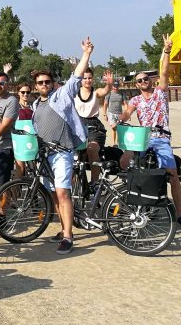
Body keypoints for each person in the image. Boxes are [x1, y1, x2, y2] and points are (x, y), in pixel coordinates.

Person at [118, 34, 181, 231]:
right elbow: (127, 113)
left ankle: (180, 214)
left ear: (151, 81)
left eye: (146, 78)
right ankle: (137, 201)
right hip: (143, 139)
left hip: (160, 139)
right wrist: (120, 119)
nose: (144, 81)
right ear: (136, 85)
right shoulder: (135, 100)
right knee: (125, 163)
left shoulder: (160, 93)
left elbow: (165, 73)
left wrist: (166, 51)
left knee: (172, 173)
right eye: (140, 80)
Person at [31, 37, 94, 254]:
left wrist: (86, 54)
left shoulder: (62, 96)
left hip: (61, 153)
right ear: (35, 86)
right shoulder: (34, 104)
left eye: (47, 81)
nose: (44, 85)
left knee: (62, 192)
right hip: (44, 156)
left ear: (52, 83)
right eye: (40, 82)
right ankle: (63, 227)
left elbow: (76, 77)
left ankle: (68, 236)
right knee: (51, 194)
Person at [74, 68, 114, 183]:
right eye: (84, 78)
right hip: (77, 125)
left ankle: (94, 182)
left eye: (90, 78)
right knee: (70, 153)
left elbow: (105, 90)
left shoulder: (95, 92)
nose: (87, 80)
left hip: (94, 126)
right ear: (80, 80)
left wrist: (109, 85)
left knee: (92, 149)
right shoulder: (74, 93)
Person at [103, 81, 127, 146]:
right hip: (111, 113)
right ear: (112, 86)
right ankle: (114, 143)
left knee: (119, 128)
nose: (115, 87)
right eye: (114, 86)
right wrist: (104, 114)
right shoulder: (109, 94)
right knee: (113, 128)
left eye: (116, 86)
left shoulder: (122, 94)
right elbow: (105, 104)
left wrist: (126, 112)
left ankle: (118, 142)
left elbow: (125, 103)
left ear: (118, 86)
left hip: (120, 113)